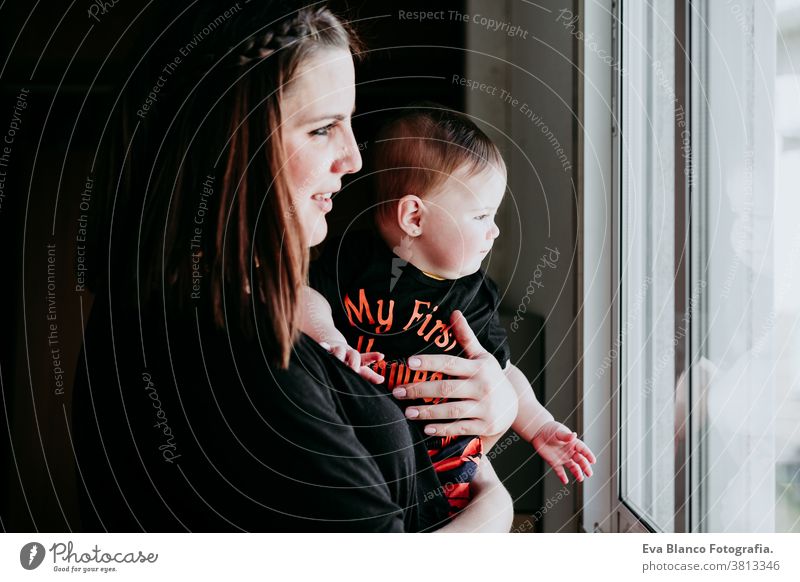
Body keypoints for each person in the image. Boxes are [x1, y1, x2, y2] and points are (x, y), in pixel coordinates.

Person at [70, 2, 517, 532]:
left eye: (348, 124)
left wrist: (499, 406)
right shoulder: (234, 352)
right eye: (322, 128)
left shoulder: (217, 304)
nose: (353, 158)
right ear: (229, 142)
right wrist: (494, 512)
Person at [304, 105, 596, 514]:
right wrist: (330, 339)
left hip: (443, 476)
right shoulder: (351, 260)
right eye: (480, 216)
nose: (493, 230)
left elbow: (502, 371)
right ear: (413, 217)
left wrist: (539, 425)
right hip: (360, 458)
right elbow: (303, 294)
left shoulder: (473, 297)